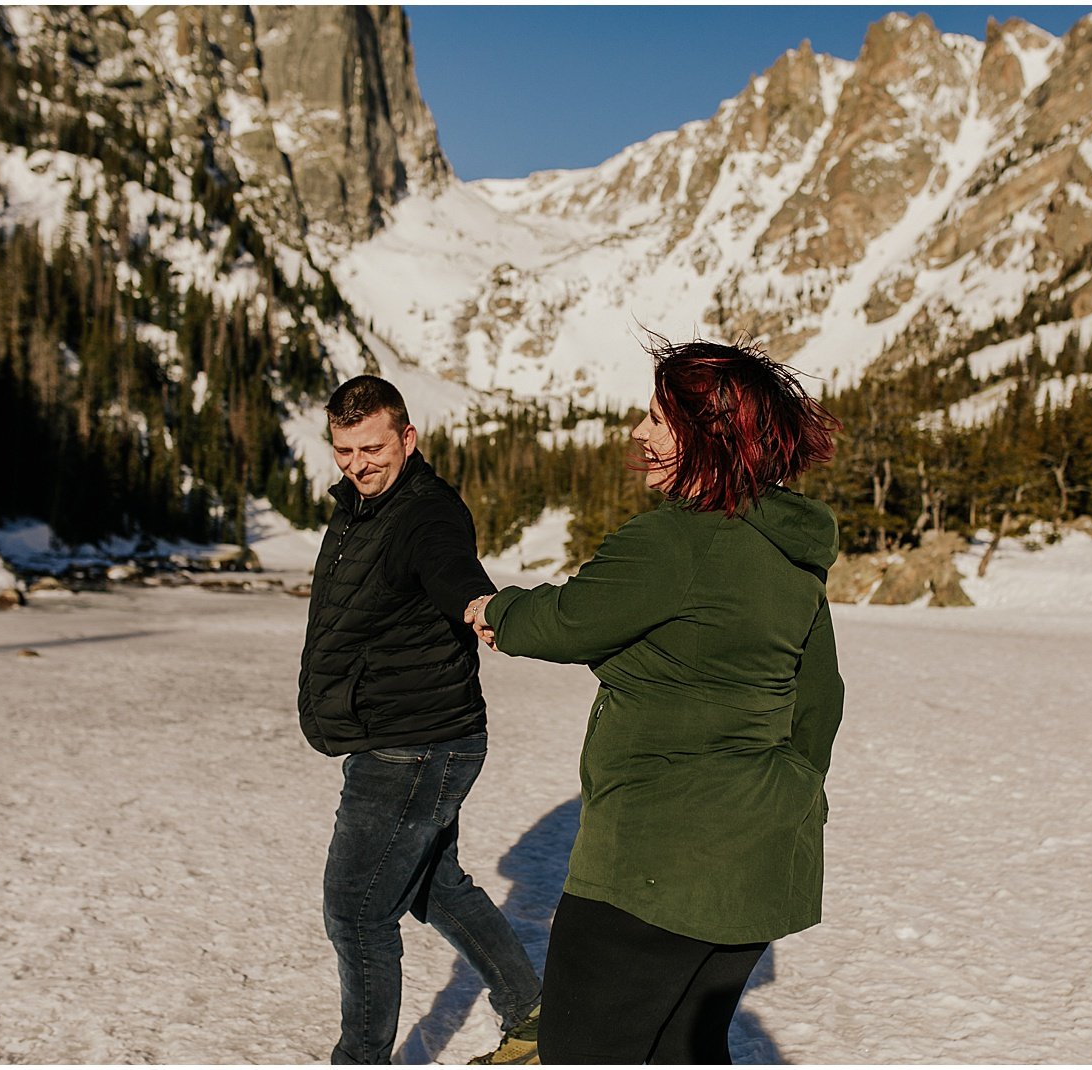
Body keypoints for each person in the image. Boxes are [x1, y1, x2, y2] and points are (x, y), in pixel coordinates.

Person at [467, 338, 846, 1064]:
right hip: (762, 858)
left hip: (653, 866)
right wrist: (790, 789)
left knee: (583, 1052)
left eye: (657, 419)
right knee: (685, 1050)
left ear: (707, 437)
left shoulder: (676, 540)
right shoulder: (791, 557)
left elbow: (570, 618)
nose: (639, 434)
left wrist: (497, 609)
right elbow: (819, 699)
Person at [298, 374, 542, 1065]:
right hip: (417, 738)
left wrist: (478, 604)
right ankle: (534, 1014)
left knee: (356, 912)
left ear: (408, 438)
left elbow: (450, 566)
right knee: (433, 886)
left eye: (371, 447)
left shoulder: (425, 511)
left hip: (414, 747)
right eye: (344, 450)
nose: (357, 464)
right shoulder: (361, 506)